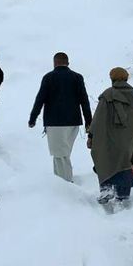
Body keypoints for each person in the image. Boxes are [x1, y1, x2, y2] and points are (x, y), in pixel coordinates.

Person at [28, 52, 92, 182]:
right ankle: (61, 182)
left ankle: (65, 184)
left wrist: (33, 118)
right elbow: (84, 101)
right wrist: (88, 122)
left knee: (59, 155)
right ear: (67, 62)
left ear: (54, 63)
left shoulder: (48, 78)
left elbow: (40, 99)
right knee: (64, 153)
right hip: (73, 122)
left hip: (55, 122)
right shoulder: (77, 77)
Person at [88, 68, 133, 204]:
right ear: (127, 79)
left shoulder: (107, 96)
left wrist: (91, 136)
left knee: (104, 159)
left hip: (110, 141)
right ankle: (122, 197)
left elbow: (97, 120)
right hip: (130, 143)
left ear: (112, 79)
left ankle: (106, 188)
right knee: (126, 164)